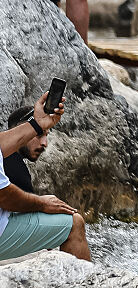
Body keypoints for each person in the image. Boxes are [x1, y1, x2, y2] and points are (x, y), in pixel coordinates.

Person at [0, 93, 90, 261]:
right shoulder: (17, 169)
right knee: (74, 223)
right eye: (40, 135)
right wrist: (42, 203)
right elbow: (4, 196)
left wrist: (37, 124)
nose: (45, 144)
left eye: (46, 135)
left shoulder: (12, 160)